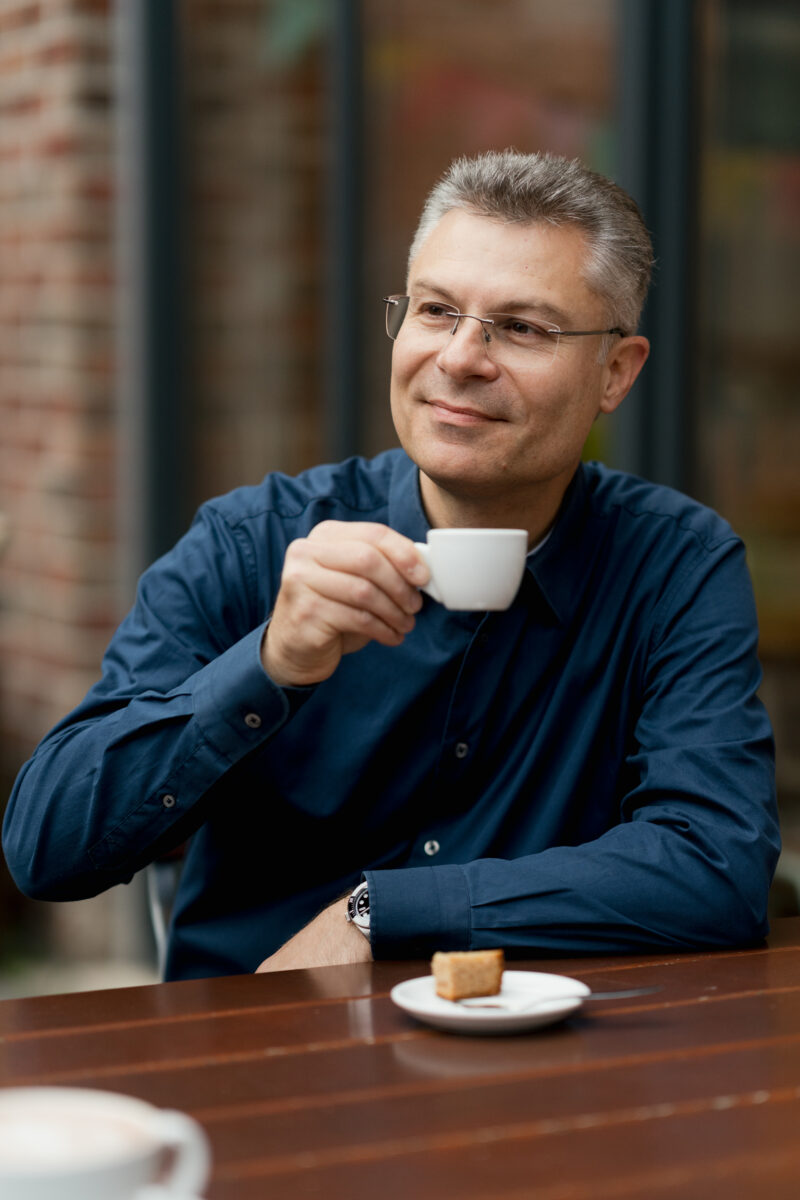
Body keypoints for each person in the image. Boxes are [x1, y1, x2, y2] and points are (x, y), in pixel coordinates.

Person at [3, 150, 779, 981]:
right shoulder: (253, 542)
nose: (461, 358)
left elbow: (714, 865)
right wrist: (269, 665)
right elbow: (46, 851)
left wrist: (383, 913)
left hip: (537, 1064)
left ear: (615, 373)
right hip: (259, 1054)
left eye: (522, 327)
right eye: (437, 310)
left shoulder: (675, 566)